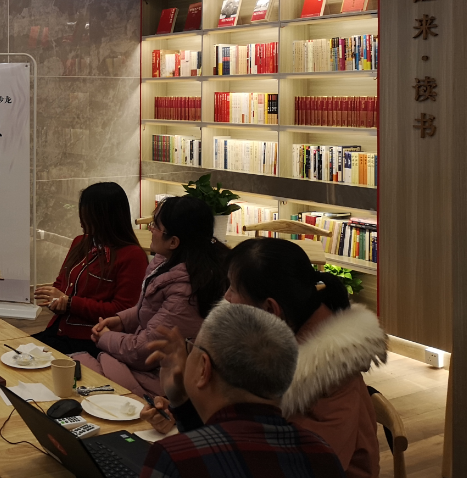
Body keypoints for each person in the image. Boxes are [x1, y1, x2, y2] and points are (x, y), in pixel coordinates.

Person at [143, 238, 386, 478]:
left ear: (270, 309)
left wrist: (188, 414)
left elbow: (282, 463)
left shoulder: (330, 375)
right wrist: (182, 404)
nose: (226, 297)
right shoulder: (260, 341)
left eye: (233, 289)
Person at [139, 304, 345, 478]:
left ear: (204, 368)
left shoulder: (173, 459)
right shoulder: (323, 455)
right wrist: (181, 402)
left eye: (192, 347)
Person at [72, 195, 228, 395]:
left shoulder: (188, 288)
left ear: (173, 241)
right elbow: (150, 309)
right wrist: (122, 320)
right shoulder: (166, 262)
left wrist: (105, 337)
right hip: (144, 361)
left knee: (78, 378)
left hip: (163, 378)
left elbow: (145, 350)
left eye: (155, 226)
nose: (150, 230)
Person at [32, 182, 148, 357]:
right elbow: (61, 283)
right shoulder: (80, 242)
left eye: (87, 215)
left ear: (105, 217)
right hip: (58, 331)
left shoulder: (132, 256)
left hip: (93, 342)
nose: (81, 220)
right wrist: (55, 301)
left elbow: (123, 312)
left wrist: (70, 303)